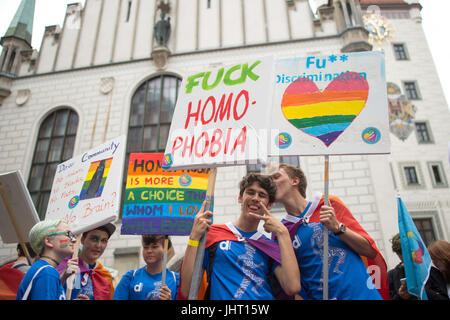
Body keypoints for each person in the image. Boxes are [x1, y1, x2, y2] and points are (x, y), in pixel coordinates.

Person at [270, 163, 389, 300]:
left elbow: (369, 251)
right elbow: (291, 288)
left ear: (295, 181)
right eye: (269, 180)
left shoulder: (329, 205)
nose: (271, 182)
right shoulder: (281, 231)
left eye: (276, 176)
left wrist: (338, 228)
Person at [179, 173, 300, 300]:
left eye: (262, 195)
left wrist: (283, 233)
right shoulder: (213, 235)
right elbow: (187, 290)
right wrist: (193, 238)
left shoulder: (269, 247)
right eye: (251, 192)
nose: (255, 198)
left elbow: (293, 287)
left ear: (269, 205)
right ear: (240, 198)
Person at [16, 220, 83, 300]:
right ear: (48, 241)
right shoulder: (47, 272)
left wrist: (64, 276)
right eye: (68, 234)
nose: (74, 240)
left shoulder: (44, 270)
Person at [56, 223, 116, 300]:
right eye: (94, 239)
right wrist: (64, 276)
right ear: (82, 239)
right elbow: (49, 292)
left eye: (103, 241)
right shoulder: (64, 265)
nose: (98, 245)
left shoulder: (106, 277)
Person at [114, 235, 179, 300]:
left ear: (165, 250)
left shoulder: (176, 279)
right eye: (146, 247)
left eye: (154, 247)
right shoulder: (130, 277)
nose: (149, 251)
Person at [388, 234, 449, 300]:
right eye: (400, 252)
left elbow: (444, 298)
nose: (405, 256)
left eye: (408, 251)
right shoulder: (391, 275)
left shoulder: (431, 272)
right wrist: (400, 296)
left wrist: (423, 290)